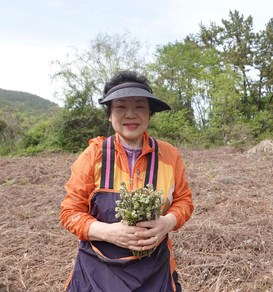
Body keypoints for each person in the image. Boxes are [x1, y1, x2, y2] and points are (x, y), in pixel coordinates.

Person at [60, 70, 194, 292]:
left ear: (149, 114)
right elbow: (70, 213)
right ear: (110, 115)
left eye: (139, 106)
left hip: (155, 271)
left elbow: (184, 201)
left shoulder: (169, 155)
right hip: (96, 273)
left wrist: (166, 223)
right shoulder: (94, 155)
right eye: (121, 107)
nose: (130, 114)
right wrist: (107, 232)